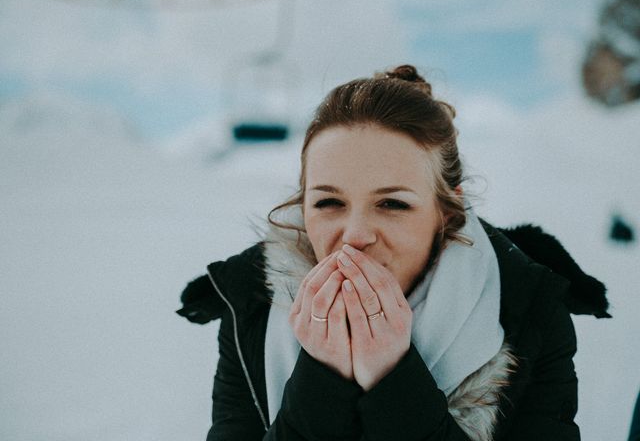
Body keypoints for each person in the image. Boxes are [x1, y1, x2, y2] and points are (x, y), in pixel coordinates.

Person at [177, 65, 611, 440]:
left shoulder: (529, 309)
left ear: (447, 211)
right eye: (328, 203)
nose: (355, 236)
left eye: (393, 204)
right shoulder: (249, 306)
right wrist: (322, 379)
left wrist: (393, 378)